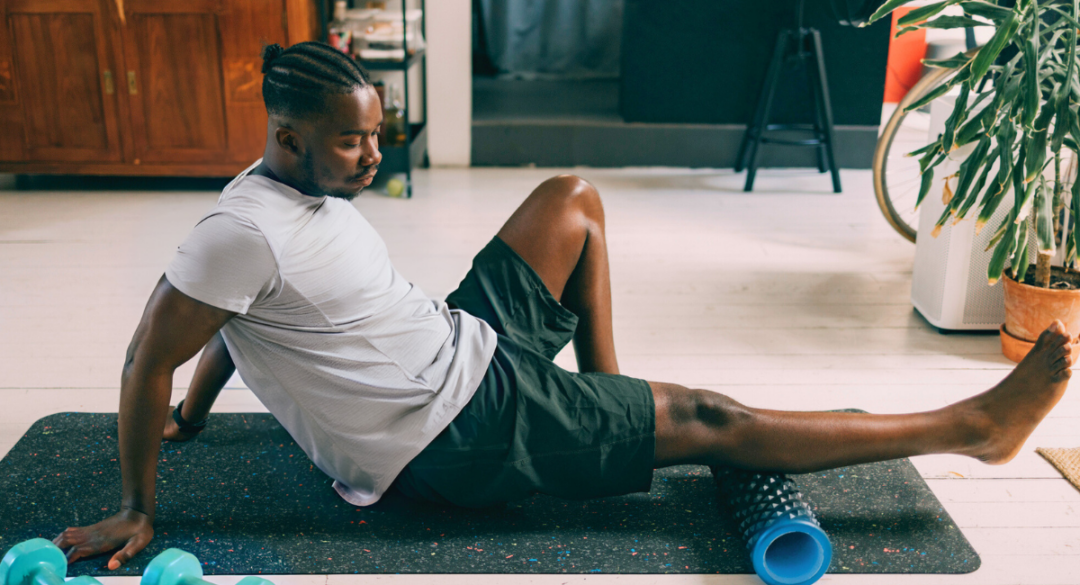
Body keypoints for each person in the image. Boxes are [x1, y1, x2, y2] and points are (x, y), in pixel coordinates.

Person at [52, 41, 1074, 569]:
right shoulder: (240, 228)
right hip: (453, 433)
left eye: (377, 132)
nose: (375, 151)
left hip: (462, 345)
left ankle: (611, 400)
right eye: (355, 140)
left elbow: (232, 320)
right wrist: (144, 500)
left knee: (570, 200)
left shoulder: (284, 197)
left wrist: (197, 413)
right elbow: (152, 350)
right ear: (289, 137)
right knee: (714, 420)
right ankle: (977, 427)